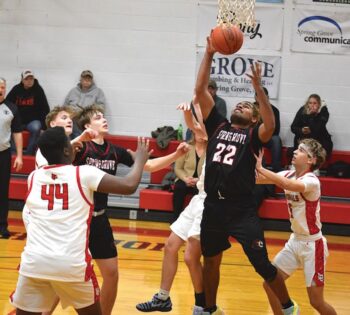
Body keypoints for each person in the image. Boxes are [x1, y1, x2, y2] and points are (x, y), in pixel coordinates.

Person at [194, 35, 299, 315]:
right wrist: (208, 53)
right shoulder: (217, 124)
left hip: (241, 209)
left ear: (254, 118)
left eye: (247, 106)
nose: (241, 105)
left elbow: (271, 123)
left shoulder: (254, 135)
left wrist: (258, 90)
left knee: (262, 265)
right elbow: (200, 90)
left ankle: (289, 308)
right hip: (213, 206)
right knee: (211, 260)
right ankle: (210, 309)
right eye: (238, 104)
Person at [10, 126, 150, 315]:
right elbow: (129, 185)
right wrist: (140, 161)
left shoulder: (33, 177)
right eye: (69, 143)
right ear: (67, 150)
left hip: (34, 262)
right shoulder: (84, 173)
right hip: (71, 265)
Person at [73, 104, 189, 315]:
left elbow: (149, 166)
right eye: (98, 117)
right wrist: (79, 139)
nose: (104, 119)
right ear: (87, 125)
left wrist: (176, 154)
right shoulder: (80, 149)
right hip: (77, 222)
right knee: (66, 276)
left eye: (103, 116)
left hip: (99, 220)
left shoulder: (114, 151)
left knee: (111, 274)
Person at [136, 100, 208, 315]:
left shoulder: (214, 140)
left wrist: (192, 113)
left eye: (201, 122)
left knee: (190, 258)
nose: (197, 126)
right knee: (170, 246)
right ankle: (163, 298)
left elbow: (199, 127)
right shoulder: (196, 141)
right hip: (197, 201)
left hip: (210, 202)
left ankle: (201, 304)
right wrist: (188, 111)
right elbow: (194, 126)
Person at [255, 139, 337, 315]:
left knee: (316, 302)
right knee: (270, 284)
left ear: (311, 160)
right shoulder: (288, 174)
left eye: (300, 150)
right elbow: (258, 179)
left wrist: (263, 169)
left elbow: (288, 185)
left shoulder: (312, 181)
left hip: (313, 246)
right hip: (294, 242)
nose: (294, 152)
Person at [6, 70, 50, 155]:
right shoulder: (16, 89)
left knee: (36, 128)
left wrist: (44, 127)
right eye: (27, 79)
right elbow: (8, 103)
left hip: (33, 120)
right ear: (22, 80)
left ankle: (29, 153)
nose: (29, 81)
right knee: (9, 127)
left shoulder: (38, 90)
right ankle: (14, 153)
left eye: (31, 79)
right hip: (18, 120)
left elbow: (45, 108)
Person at [0, 77, 23, 239]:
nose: (0, 90)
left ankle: (2, 226)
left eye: (2, 87)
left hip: (3, 154)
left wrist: (20, 156)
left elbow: (17, 132)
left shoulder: (12, 108)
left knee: (2, 191)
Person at [172, 132, 206, 221]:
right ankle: (175, 219)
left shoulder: (210, 150)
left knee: (202, 191)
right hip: (185, 178)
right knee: (179, 187)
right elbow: (178, 168)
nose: (201, 135)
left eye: (203, 133)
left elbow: (212, 170)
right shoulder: (186, 148)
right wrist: (186, 179)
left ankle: (197, 221)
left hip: (201, 181)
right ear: (194, 134)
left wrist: (199, 180)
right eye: (199, 133)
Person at [291, 94, 333, 159]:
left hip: (319, 139)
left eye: (315, 103)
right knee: (300, 141)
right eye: (310, 103)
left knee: (321, 146)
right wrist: (301, 130)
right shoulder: (302, 110)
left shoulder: (323, 111)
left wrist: (311, 115)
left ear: (319, 104)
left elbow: (317, 129)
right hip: (304, 138)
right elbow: (293, 127)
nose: (312, 105)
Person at [255, 87, 283, 172]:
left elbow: (276, 130)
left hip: (268, 137)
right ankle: (260, 167)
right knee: (253, 139)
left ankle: (276, 167)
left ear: (267, 97)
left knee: (276, 139)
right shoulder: (251, 108)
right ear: (256, 97)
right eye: (259, 96)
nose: (261, 98)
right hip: (255, 136)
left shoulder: (274, 110)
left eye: (263, 96)